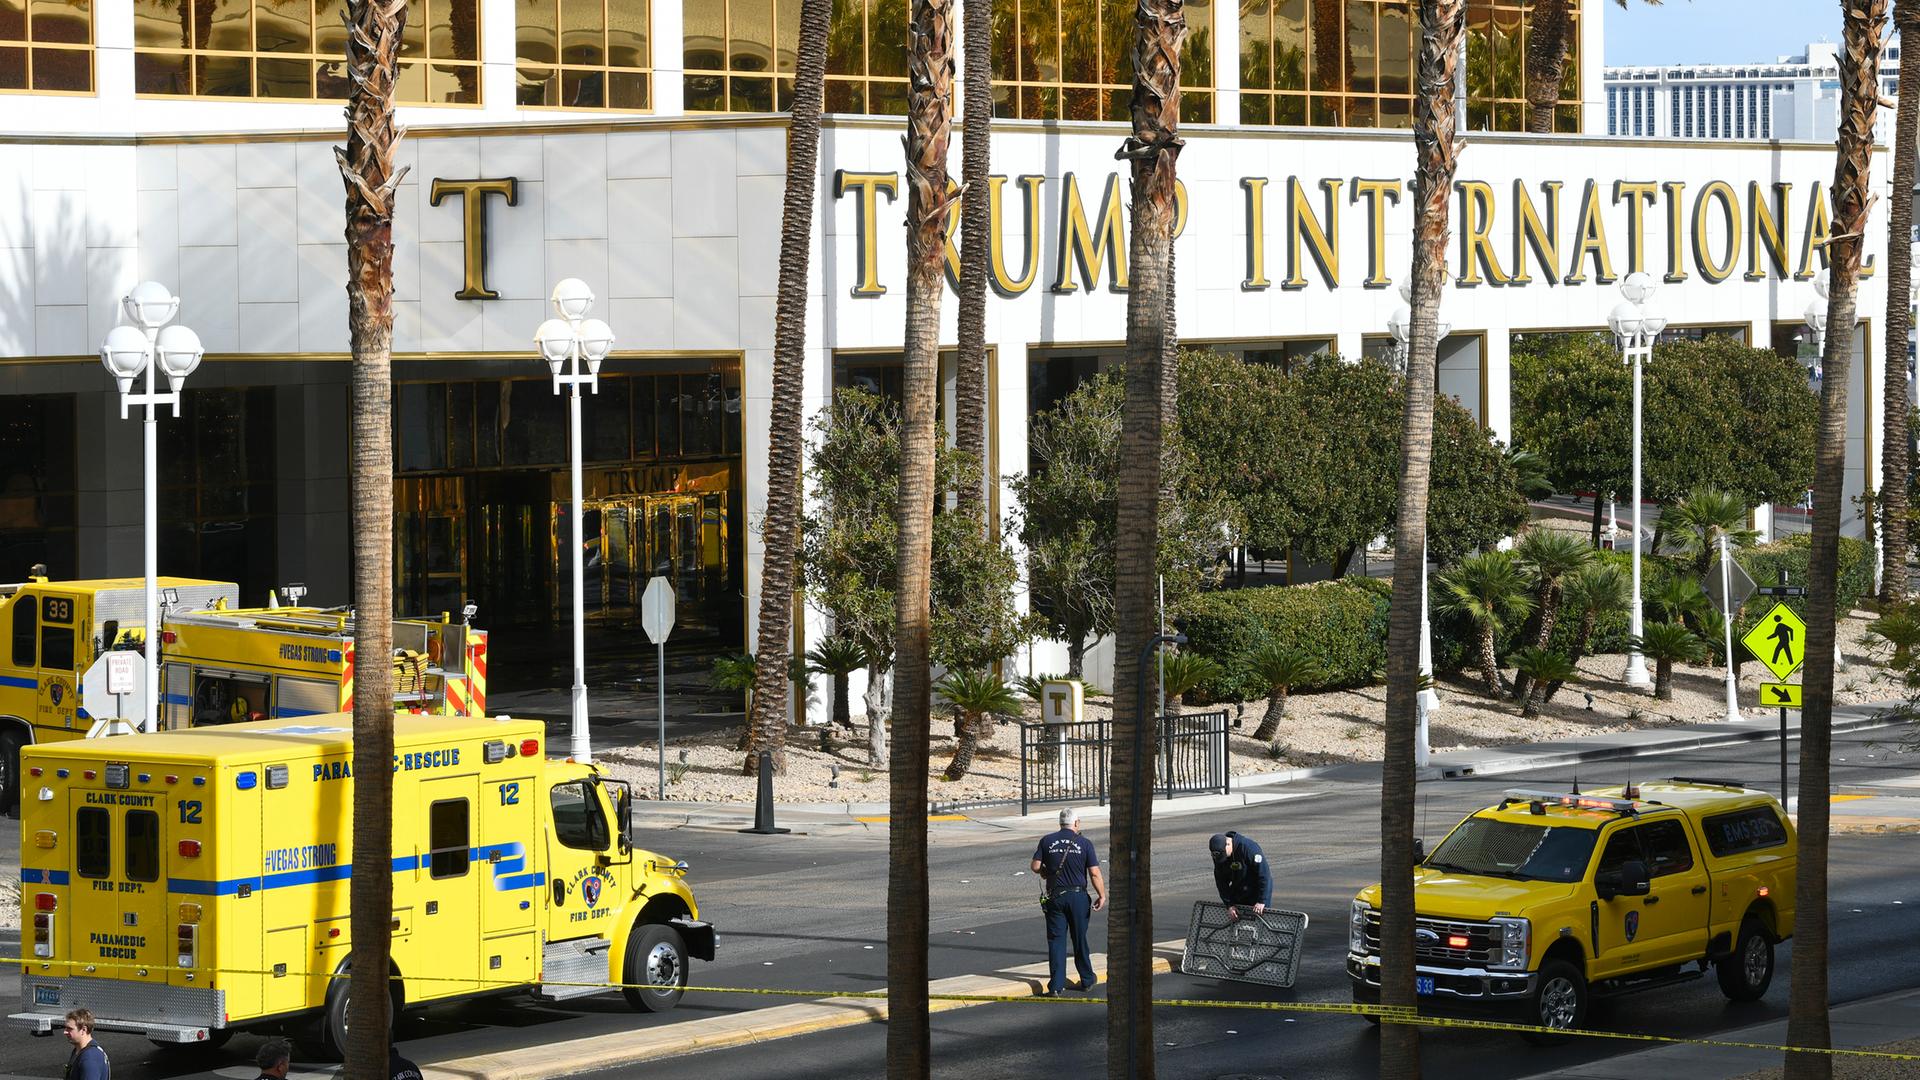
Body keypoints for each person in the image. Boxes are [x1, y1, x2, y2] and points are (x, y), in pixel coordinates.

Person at [1031, 806, 1106, 996]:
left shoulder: (1047, 840)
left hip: (1055, 897)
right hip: (1078, 897)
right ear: (1076, 823)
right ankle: (1087, 980)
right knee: (1079, 938)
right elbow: (1094, 872)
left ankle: (1056, 986)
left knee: (1056, 941)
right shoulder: (1084, 843)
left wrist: (1045, 872)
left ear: (1060, 823)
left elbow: (1035, 866)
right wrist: (1102, 895)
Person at [1209, 831, 1272, 921]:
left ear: (1228, 844)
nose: (1223, 859)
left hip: (1256, 892)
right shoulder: (1219, 854)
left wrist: (1262, 901)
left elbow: (1264, 875)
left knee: (1259, 924)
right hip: (1239, 890)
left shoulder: (1248, 848)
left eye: (1224, 855)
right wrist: (1229, 905)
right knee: (1238, 924)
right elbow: (1221, 881)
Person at [61, 1009, 109, 1080]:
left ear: (84, 1030)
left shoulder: (90, 1058)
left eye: (69, 1029)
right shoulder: (79, 1050)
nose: (65, 1032)